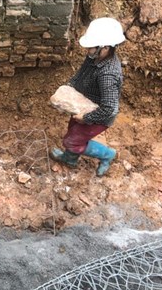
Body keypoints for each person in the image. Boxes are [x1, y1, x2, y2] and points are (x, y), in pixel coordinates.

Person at [49, 17, 125, 176]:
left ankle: (108, 155)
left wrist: (87, 117)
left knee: (72, 141)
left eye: (91, 47)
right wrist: (69, 88)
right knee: (73, 131)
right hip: (83, 105)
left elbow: (109, 108)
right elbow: (80, 75)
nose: (88, 50)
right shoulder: (94, 56)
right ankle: (70, 159)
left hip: (98, 116)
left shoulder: (108, 74)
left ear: (105, 47)